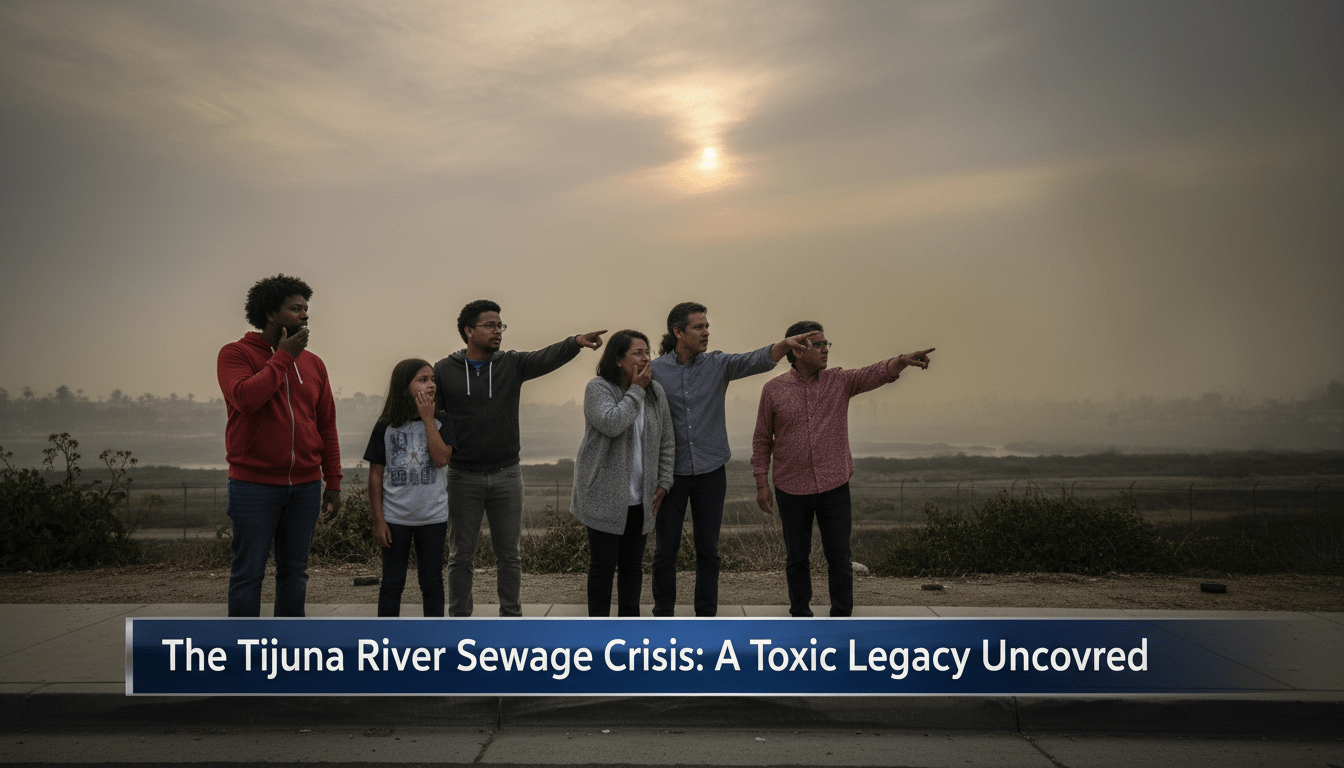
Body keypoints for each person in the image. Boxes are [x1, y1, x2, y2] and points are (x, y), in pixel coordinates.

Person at [434, 299, 606, 617]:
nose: (498, 331)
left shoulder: (511, 364)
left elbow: (545, 357)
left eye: (501, 325)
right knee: (460, 555)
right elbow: (432, 418)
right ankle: (458, 619)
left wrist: (575, 343)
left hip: (507, 475)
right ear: (469, 331)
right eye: (491, 325)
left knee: (509, 555)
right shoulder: (444, 371)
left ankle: (511, 618)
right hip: (463, 476)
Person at [751, 320, 933, 617]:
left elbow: (874, 373)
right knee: (797, 558)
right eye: (818, 344)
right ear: (797, 351)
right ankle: (800, 616)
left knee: (839, 556)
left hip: (834, 486)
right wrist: (762, 482)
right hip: (790, 488)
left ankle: (841, 619)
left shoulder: (839, 381)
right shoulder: (773, 390)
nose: (825, 350)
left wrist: (900, 361)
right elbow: (762, 439)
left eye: (826, 344)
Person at [649, 302, 820, 617]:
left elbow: (754, 360)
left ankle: (706, 616)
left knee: (709, 552)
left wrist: (783, 346)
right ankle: (663, 615)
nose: (706, 332)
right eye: (698, 327)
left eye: (707, 326)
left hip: (711, 472)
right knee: (665, 551)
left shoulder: (718, 364)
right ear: (678, 332)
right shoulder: (655, 371)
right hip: (670, 476)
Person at [216, 274, 342, 617]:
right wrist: (283, 357)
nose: (304, 316)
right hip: (253, 485)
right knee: (248, 575)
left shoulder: (314, 364)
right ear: (271, 313)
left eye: (306, 309)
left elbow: (326, 425)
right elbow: (246, 398)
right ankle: (244, 659)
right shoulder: (235, 354)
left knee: (295, 574)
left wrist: (333, 481)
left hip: (304, 486)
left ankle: (290, 655)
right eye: (295, 308)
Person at [570, 331, 675, 617]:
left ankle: (629, 632)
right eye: (637, 353)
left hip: (641, 497)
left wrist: (664, 481)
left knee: (632, 568)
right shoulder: (599, 388)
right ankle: (599, 635)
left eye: (646, 352)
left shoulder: (656, 393)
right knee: (602, 568)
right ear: (618, 360)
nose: (645, 359)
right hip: (603, 495)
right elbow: (612, 423)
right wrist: (636, 390)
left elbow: (666, 439)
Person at [363, 359, 457, 617]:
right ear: (405, 386)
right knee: (392, 584)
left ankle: (435, 643)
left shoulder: (442, 421)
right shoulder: (386, 426)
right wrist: (378, 521)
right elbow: (375, 476)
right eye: (422, 380)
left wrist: (428, 418)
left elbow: (441, 459)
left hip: (432, 518)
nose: (431, 385)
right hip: (395, 519)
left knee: (432, 584)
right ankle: (387, 644)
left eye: (433, 380)